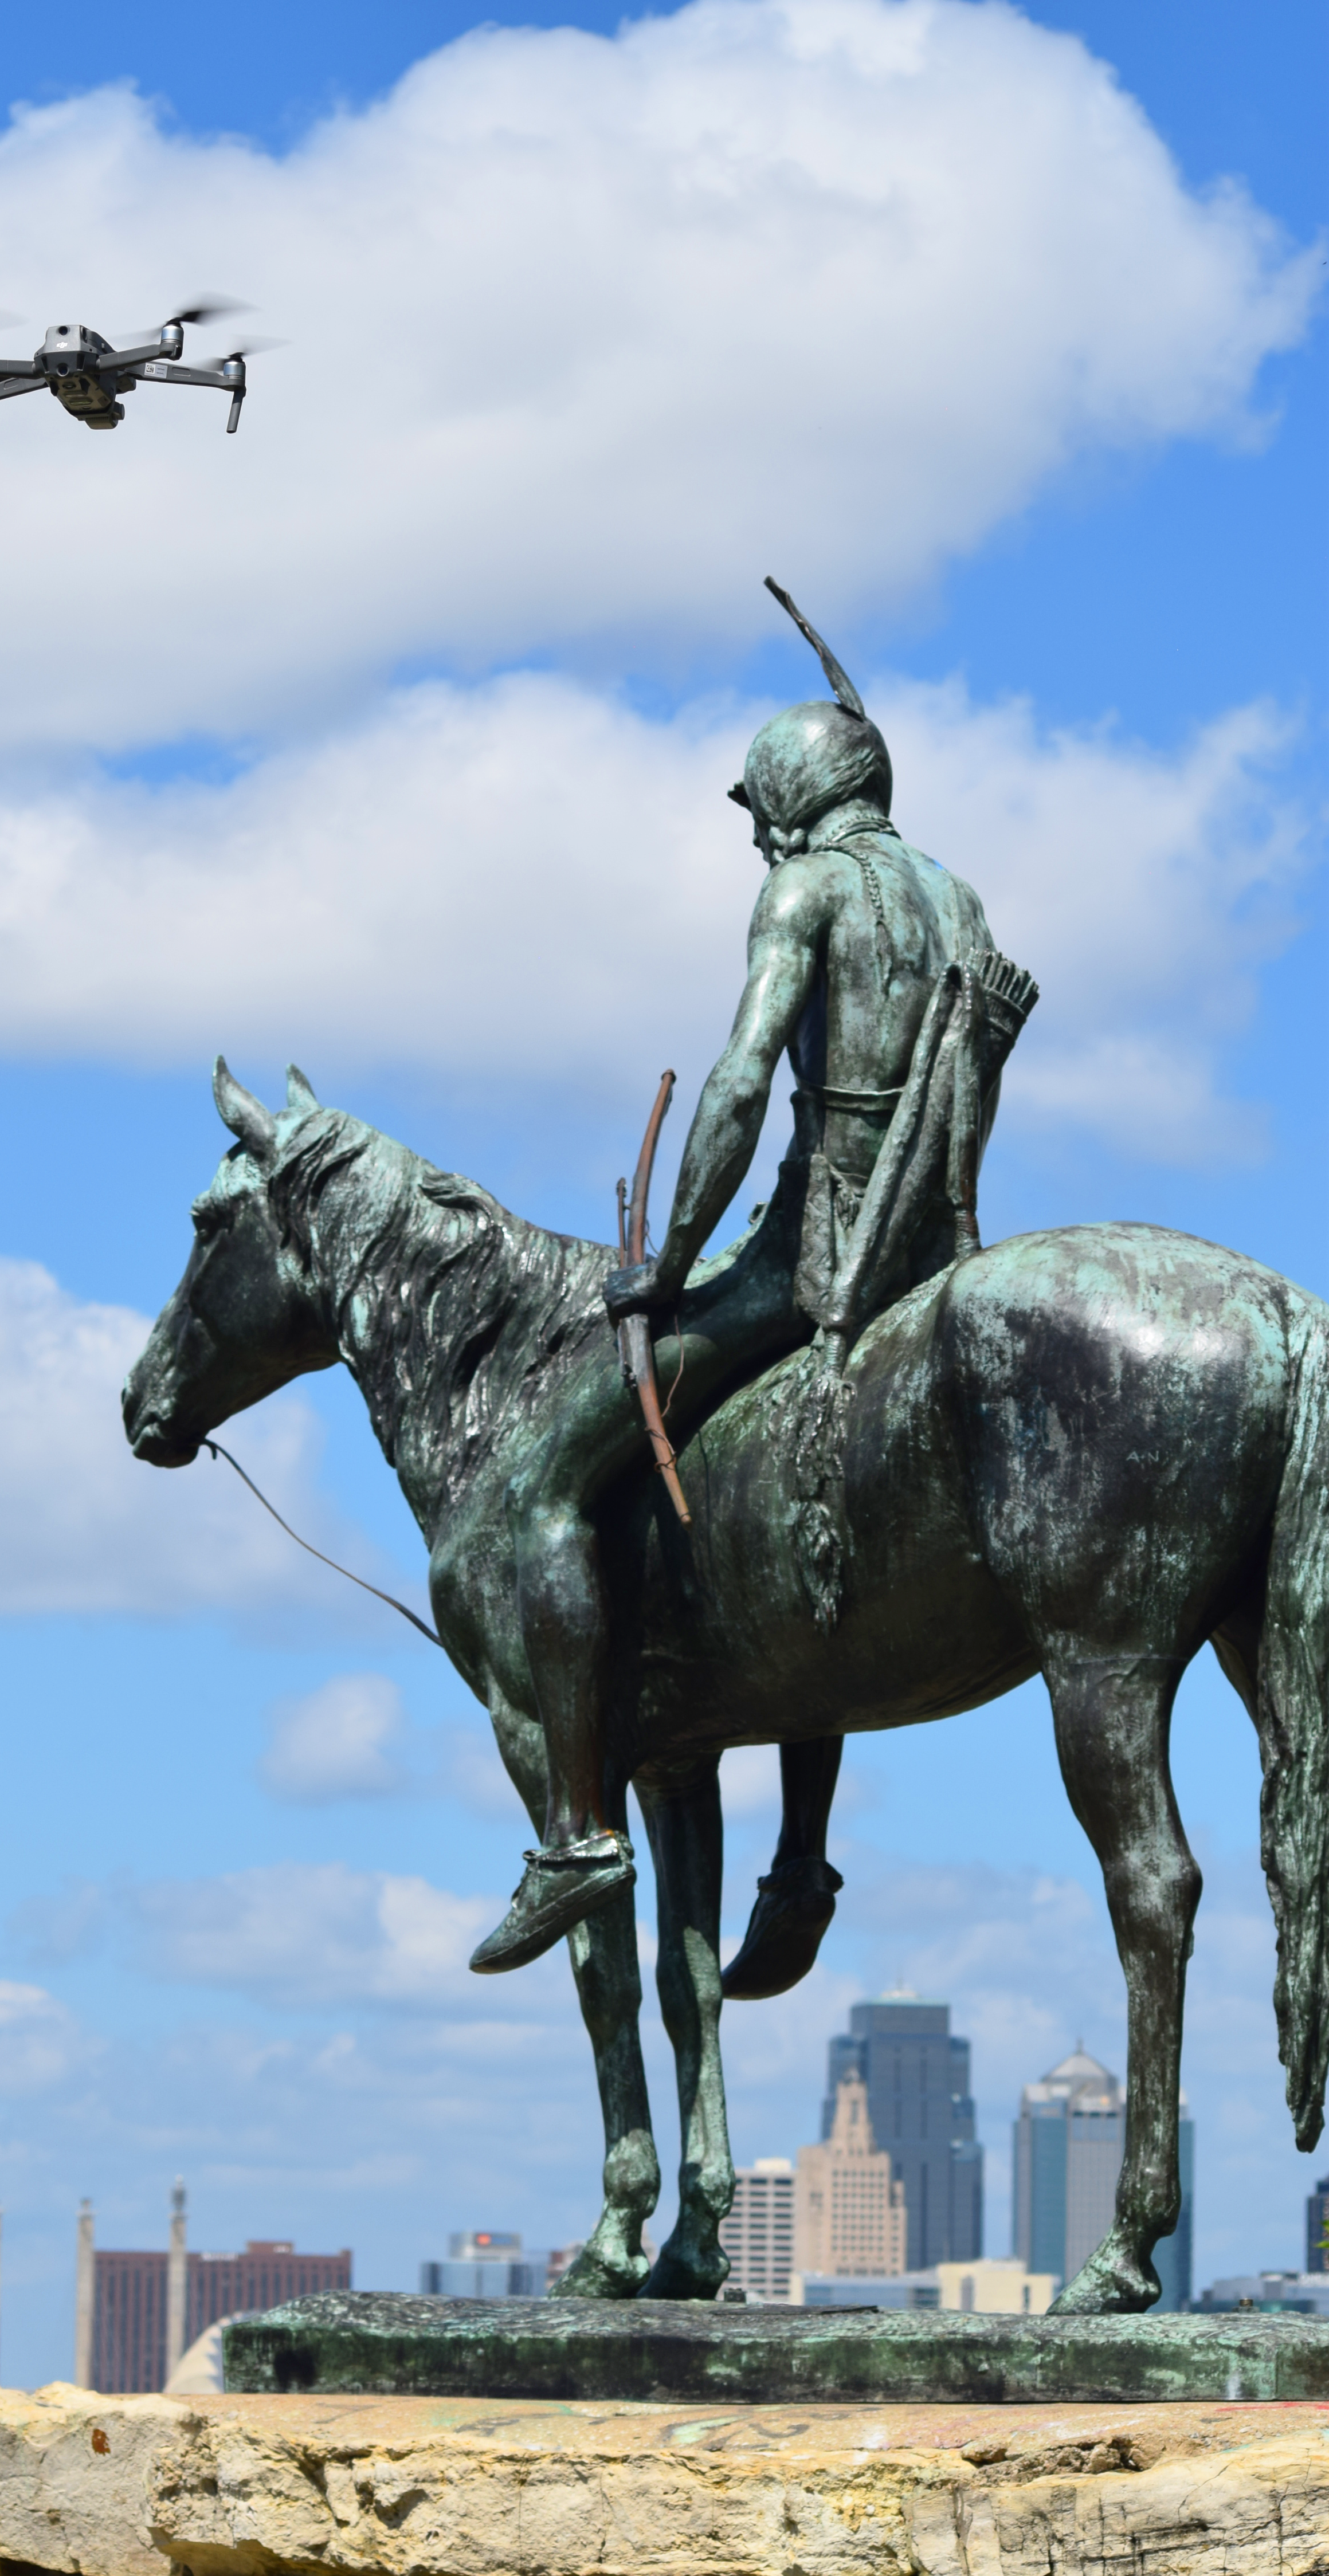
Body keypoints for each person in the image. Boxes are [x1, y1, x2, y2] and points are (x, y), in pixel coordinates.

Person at [471, 586, 1010, 1978]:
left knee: (540, 1486)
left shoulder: (807, 888)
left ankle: (580, 1831)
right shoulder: (957, 895)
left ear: (791, 795)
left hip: (810, 1265)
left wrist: (661, 1270)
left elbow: (739, 1078)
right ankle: (801, 1860)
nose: (754, 834)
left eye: (759, 807)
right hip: (931, 1261)